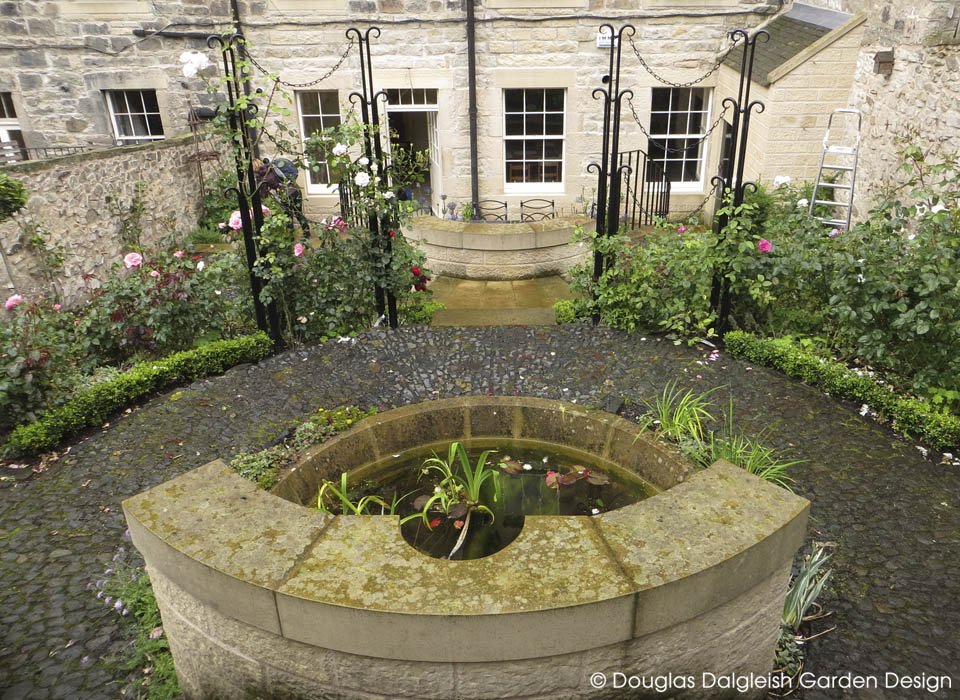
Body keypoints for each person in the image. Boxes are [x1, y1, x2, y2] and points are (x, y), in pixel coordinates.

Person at [254, 157, 311, 235]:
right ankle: (307, 233)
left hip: (286, 195)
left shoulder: (262, 177)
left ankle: (290, 237)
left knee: (288, 216)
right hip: (296, 189)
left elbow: (263, 195)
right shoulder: (272, 166)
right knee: (299, 214)